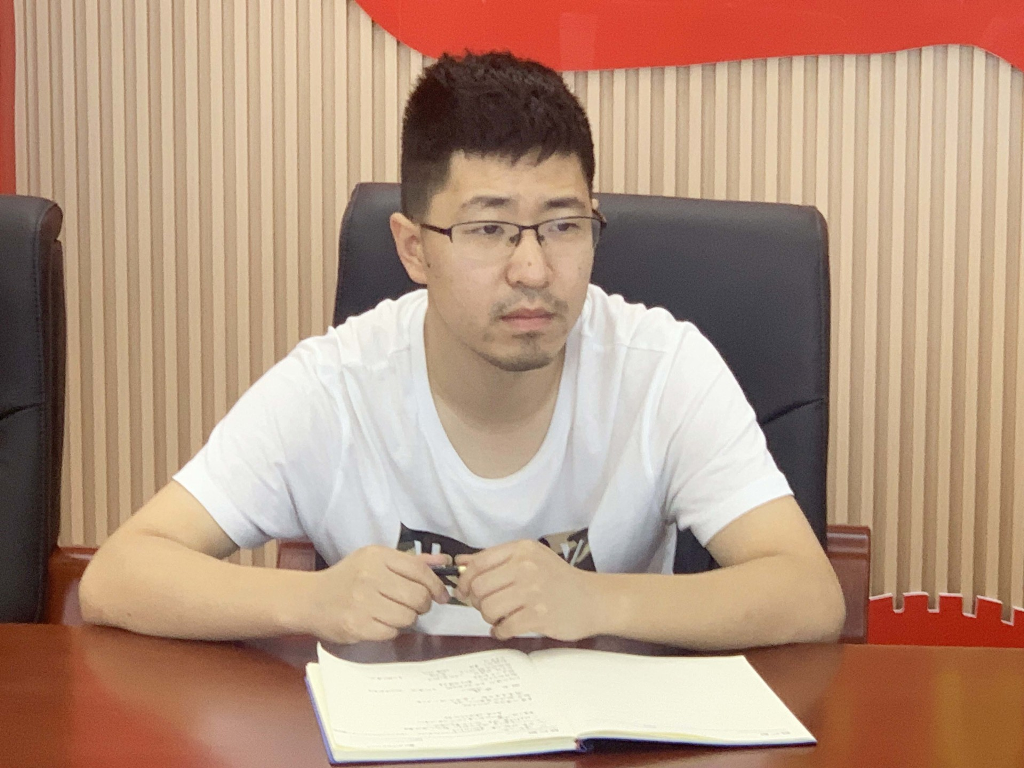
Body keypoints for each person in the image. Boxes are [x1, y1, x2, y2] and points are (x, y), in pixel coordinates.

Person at [80, 51, 845, 650]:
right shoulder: (335, 386)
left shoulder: (663, 369)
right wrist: (310, 599)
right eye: (488, 229)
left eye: (563, 225)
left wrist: (597, 600)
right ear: (413, 248)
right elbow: (118, 576)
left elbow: (808, 594)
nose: (533, 269)